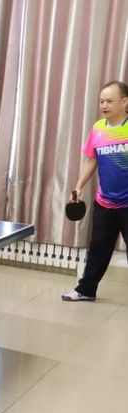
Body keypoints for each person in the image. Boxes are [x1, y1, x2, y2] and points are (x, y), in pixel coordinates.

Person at [62, 80, 128, 302]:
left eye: (109, 101)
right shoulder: (98, 129)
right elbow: (92, 160)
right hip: (105, 203)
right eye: (101, 101)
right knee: (98, 248)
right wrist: (78, 186)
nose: (104, 105)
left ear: (124, 102)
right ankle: (86, 290)